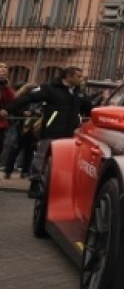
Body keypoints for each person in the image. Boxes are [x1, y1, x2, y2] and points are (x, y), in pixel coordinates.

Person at [6, 66, 93, 197]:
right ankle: (35, 184)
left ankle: (59, 187)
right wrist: (9, 109)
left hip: (71, 133)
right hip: (52, 130)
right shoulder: (50, 89)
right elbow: (28, 98)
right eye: (78, 76)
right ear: (68, 76)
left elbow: (90, 108)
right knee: (42, 157)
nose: (81, 79)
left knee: (67, 160)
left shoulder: (78, 92)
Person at [3, 83, 40, 179]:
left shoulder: (37, 101)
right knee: (15, 149)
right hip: (20, 126)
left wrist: (36, 113)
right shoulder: (22, 99)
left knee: (29, 150)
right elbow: (14, 110)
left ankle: (25, 171)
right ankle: (8, 171)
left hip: (32, 127)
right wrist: (23, 113)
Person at [0, 64, 17, 177]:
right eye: (1, 68)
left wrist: (5, 86)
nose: (4, 70)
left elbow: (12, 100)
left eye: (6, 68)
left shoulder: (5, 87)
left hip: (1, 124)